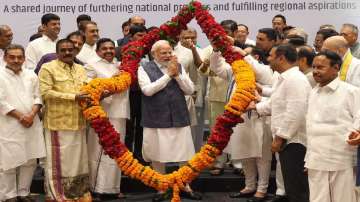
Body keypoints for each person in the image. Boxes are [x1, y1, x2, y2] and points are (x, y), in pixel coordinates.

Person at [138, 40, 201, 202]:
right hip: (155, 116)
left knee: (185, 153)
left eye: (169, 52)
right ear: (154, 54)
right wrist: (168, 76)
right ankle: (161, 187)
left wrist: (178, 75)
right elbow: (147, 91)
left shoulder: (178, 67)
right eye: (163, 53)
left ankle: (185, 185)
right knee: (157, 153)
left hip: (178, 115)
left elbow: (190, 89)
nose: (167, 56)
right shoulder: (144, 68)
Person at [249, 44, 311, 202]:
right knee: (291, 184)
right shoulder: (284, 77)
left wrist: (280, 137)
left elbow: (295, 112)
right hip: (288, 140)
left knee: (297, 186)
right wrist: (255, 106)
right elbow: (275, 104)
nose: (268, 58)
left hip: (294, 142)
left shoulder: (295, 79)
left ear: (281, 58)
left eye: (270, 55)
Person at [39, 39, 91, 201]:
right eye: (63, 50)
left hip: (79, 121)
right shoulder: (48, 68)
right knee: (58, 162)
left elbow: (87, 89)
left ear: (75, 51)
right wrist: (73, 97)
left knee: (78, 161)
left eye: (70, 50)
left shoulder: (81, 69)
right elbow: (45, 93)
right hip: (58, 122)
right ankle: (57, 194)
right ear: (57, 52)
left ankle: (77, 193)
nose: (68, 53)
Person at [306, 50, 358, 202]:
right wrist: (308, 158)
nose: (315, 71)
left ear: (336, 68)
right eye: (314, 67)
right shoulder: (313, 92)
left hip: (342, 160)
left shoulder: (351, 91)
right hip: (315, 160)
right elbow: (311, 128)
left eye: (320, 67)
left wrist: (358, 132)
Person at [0, 44, 46, 202]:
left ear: (24, 59)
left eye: (19, 57)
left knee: (30, 160)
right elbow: (1, 102)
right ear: (5, 57)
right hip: (8, 124)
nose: (16, 60)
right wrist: (21, 116)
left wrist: (32, 114)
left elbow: (38, 97)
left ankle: (23, 192)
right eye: (12, 57)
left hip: (32, 122)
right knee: (8, 161)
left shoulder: (31, 75)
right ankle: (9, 195)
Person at [85, 38, 129, 201]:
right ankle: (95, 188)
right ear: (98, 50)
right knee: (97, 151)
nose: (109, 51)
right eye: (105, 48)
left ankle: (112, 188)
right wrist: (113, 84)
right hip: (101, 114)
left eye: (111, 48)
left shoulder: (121, 66)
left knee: (116, 151)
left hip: (120, 113)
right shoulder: (91, 65)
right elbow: (90, 91)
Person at [174, 28, 205, 152]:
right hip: (178, 95)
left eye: (193, 37)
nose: (190, 40)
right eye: (186, 37)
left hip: (197, 93)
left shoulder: (200, 51)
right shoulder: (173, 51)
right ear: (179, 37)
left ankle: (195, 156)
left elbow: (202, 70)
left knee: (196, 128)